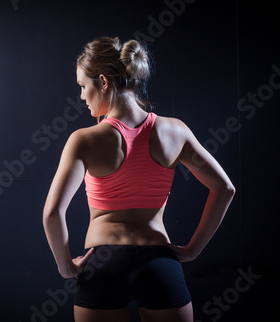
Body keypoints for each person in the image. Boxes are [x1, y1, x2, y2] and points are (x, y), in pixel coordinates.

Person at [42, 37, 235, 322]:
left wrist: (66, 266)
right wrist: (192, 250)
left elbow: (52, 213)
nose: (82, 96)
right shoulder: (175, 132)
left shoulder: (84, 140)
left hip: (102, 264)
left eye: (84, 86)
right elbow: (225, 188)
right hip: (159, 263)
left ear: (104, 82)